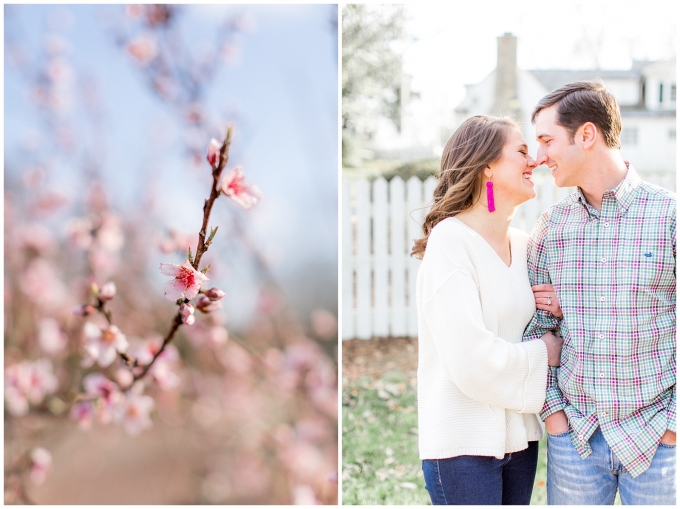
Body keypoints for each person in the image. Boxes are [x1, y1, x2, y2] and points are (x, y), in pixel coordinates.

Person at [523, 79, 676, 505]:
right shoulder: (552, 228)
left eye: (547, 140)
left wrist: (673, 426)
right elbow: (538, 327)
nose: (539, 157)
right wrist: (555, 420)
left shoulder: (670, 217)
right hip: (577, 441)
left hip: (659, 441)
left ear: (586, 135)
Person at [412, 115, 564, 505]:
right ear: (487, 168)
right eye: (522, 152)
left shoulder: (525, 244)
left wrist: (561, 308)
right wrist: (542, 354)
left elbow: (540, 323)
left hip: (521, 441)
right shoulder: (451, 242)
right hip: (462, 449)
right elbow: (470, 359)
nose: (535, 162)